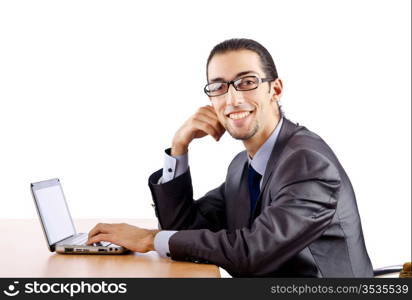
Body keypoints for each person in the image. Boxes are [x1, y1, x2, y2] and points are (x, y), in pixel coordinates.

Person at [87, 38, 373, 277]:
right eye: (219, 86)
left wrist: (149, 239)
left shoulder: (307, 163)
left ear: (275, 89)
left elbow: (252, 253)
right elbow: (182, 229)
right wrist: (179, 147)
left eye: (247, 82)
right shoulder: (242, 166)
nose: (233, 99)